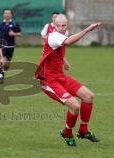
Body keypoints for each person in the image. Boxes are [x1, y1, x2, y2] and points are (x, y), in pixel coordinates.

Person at [35, 14, 101, 146]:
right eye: (58, 25)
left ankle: (83, 130)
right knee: (75, 106)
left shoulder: (60, 36)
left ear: (67, 25)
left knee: (88, 96)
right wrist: (87, 30)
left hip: (60, 76)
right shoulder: (53, 35)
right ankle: (67, 132)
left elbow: (54, 49)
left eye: (63, 25)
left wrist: (63, 60)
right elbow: (68, 42)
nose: (60, 28)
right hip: (48, 81)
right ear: (53, 25)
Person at [0, 8, 21, 83]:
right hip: (2, 46)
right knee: (3, 61)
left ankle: (1, 71)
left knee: (7, 65)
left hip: (11, 46)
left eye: (8, 13)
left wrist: (14, 34)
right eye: (6, 13)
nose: (7, 14)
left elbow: (19, 33)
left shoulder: (15, 24)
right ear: (3, 14)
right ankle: (1, 74)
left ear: (11, 14)